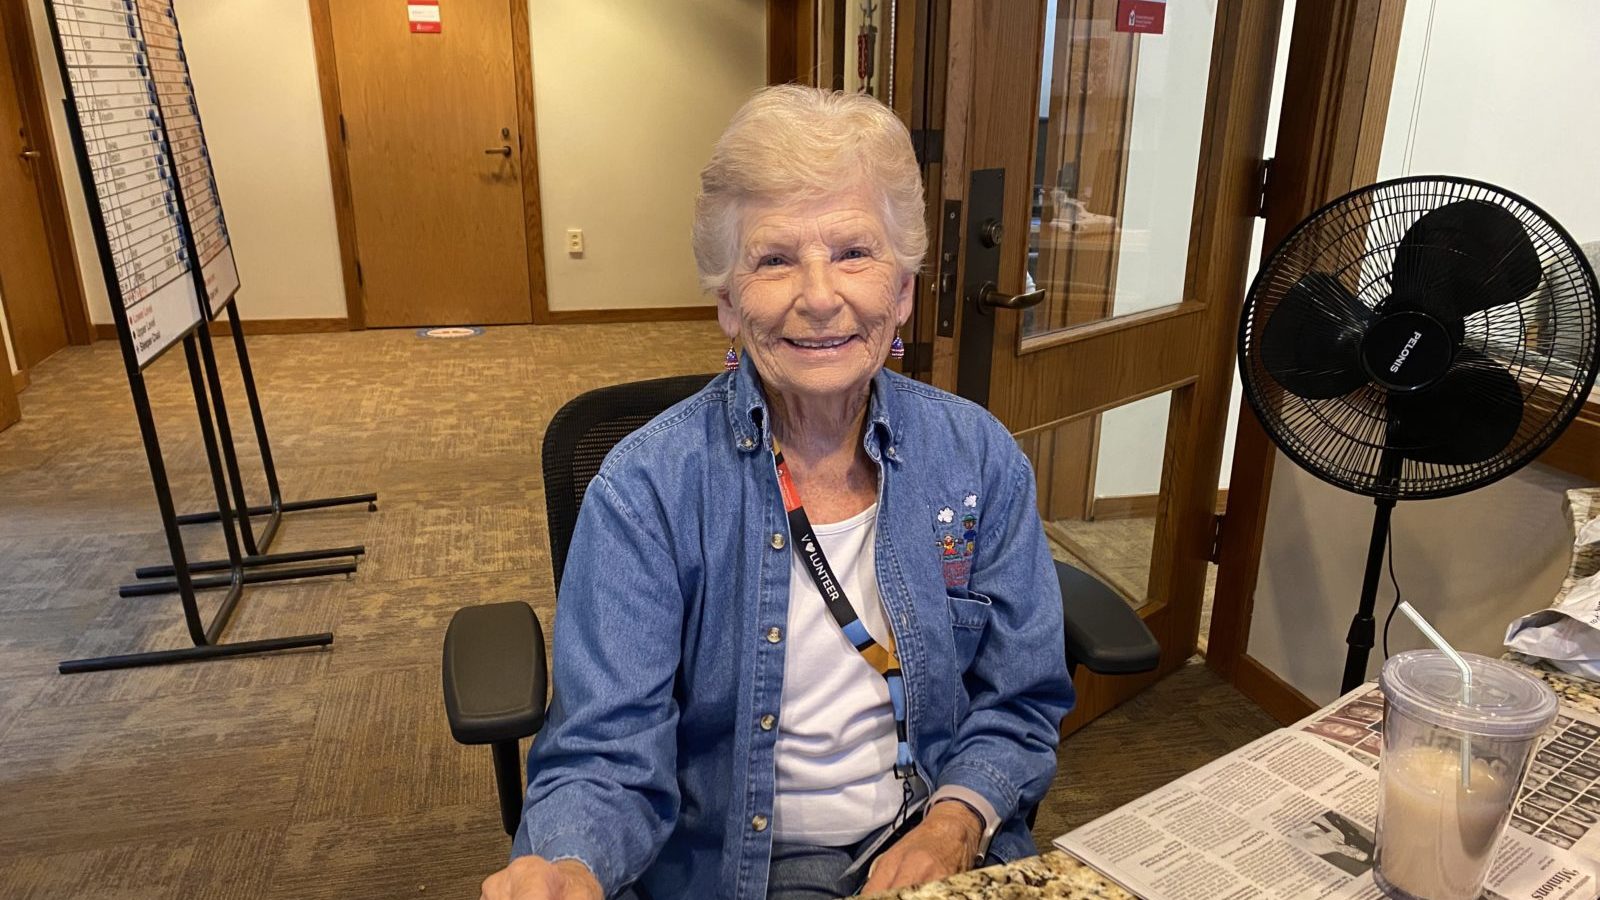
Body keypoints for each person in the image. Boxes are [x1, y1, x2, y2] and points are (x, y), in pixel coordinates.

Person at [480, 85, 1074, 900]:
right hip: (735, 868)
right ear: (728, 302)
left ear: (902, 291)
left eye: (855, 253)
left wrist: (955, 823)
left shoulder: (979, 459)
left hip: (934, 840)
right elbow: (606, 752)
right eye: (775, 258)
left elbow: (1020, 698)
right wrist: (571, 865)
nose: (821, 295)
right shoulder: (644, 490)